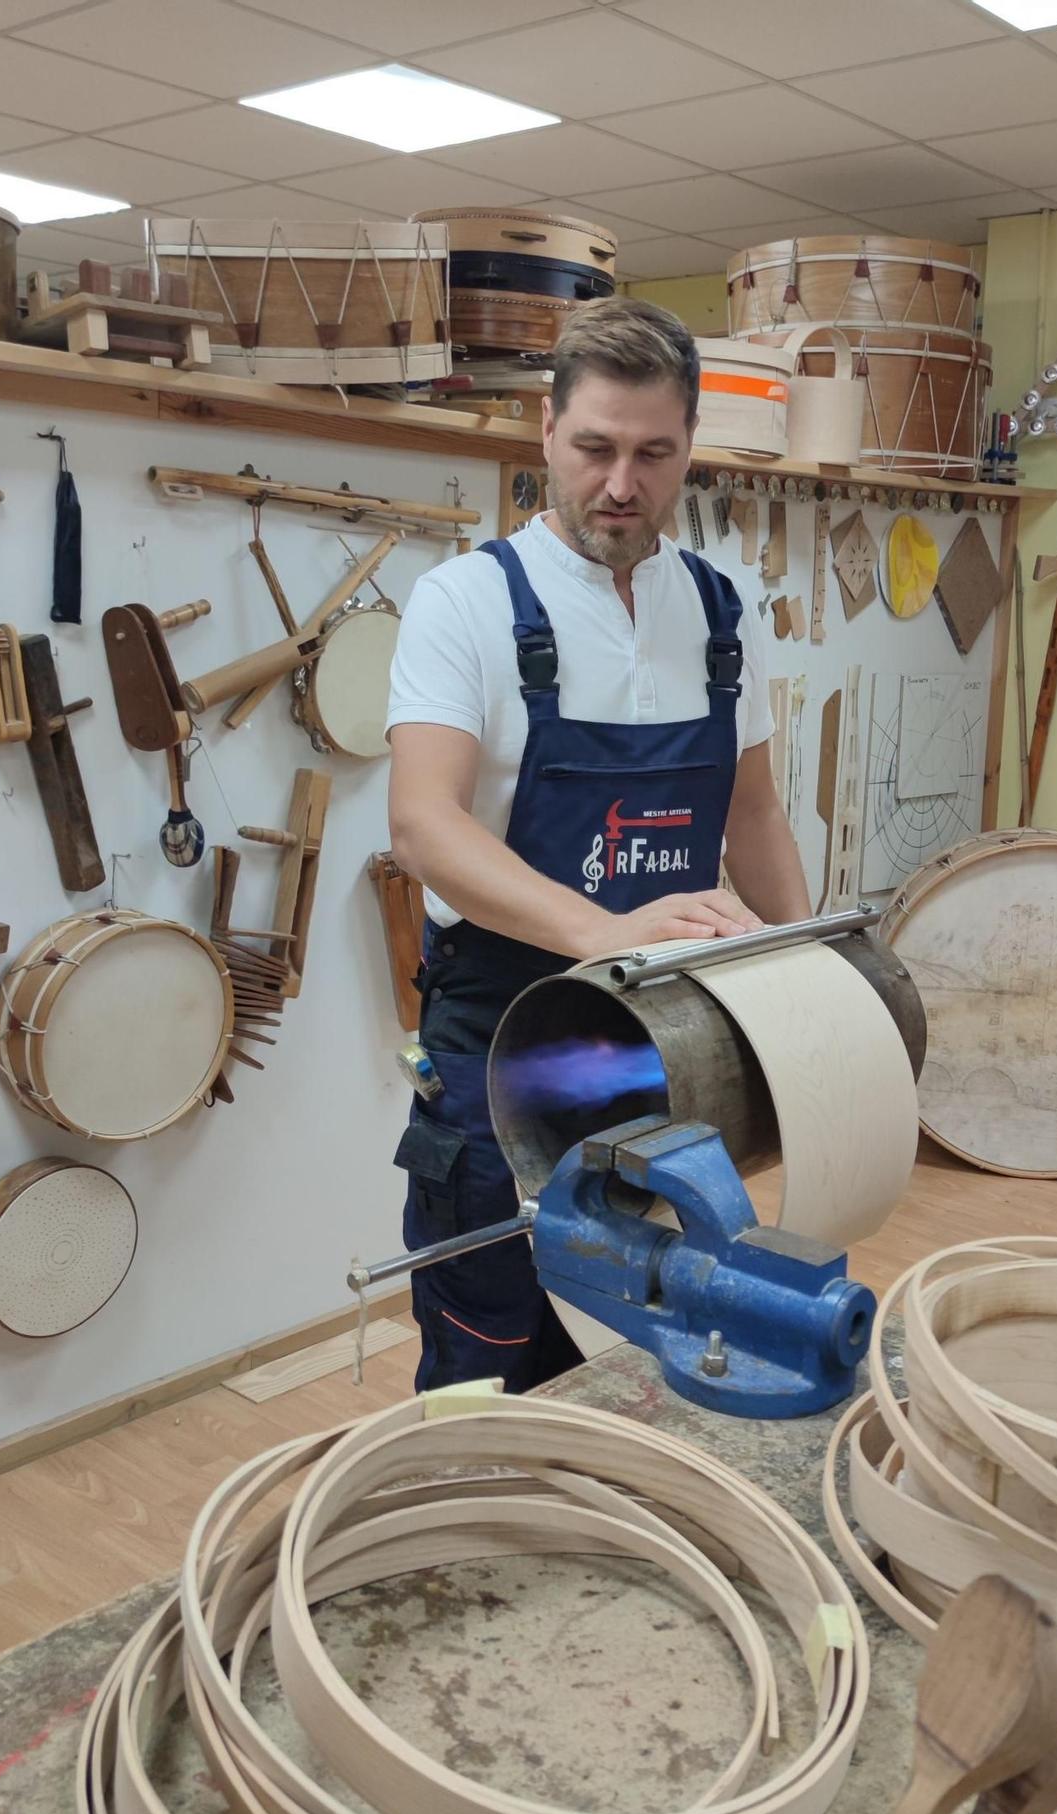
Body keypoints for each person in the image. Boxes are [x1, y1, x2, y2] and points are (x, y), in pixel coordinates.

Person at [386, 295, 812, 1394]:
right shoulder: (466, 603)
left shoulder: (722, 612)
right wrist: (608, 934)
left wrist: (804, 972)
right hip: (502, 1048)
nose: (622, 484)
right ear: (545, 429)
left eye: (654, 454)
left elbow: (753, 813)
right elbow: (424, 823)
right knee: (491, 1335)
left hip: (670, 1045)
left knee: (657, 1322)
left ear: (688, 450)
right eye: (596, 448)